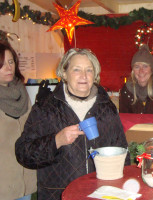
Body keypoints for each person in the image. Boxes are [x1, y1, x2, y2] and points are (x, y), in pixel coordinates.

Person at [15, 48, 130, 200]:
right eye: (77, 69)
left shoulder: (107, 108)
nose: (84, 76)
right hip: (58, 195)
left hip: (101, 193)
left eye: (89, 70)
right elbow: (24, 153)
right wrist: (56, 141)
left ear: (94, 75)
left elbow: (122, 152)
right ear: (64, 73)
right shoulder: (46, 108)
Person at [0, 42, 37, 200]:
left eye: (11, 62)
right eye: (1, 65)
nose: (9, 68)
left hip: (25, 178)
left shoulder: (22, 92)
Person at [119, 44, 153, 114]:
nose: (141, 71)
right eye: (137, 67)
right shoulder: (127, 90)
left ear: (151, 69)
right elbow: (124, 119)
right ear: (133, 70)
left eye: (145, 66)